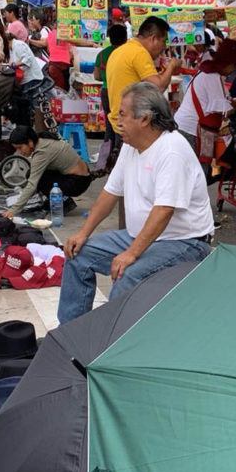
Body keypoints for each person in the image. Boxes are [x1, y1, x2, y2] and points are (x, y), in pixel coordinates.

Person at [57, 82, 214, 325]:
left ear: (144, 119)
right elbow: (109, 194)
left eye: (122, 114)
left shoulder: (172, 149)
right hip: (140, 236)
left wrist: (131, 253)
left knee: (127, 273)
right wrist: (82, 233)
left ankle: (109, 349)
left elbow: (164, 210)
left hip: (185, 243)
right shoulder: (131, 146)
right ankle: (70, 334)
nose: (117, 121)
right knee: (78, 254)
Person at [105, 16, 182, 139]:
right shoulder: (139, 53)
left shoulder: (121, 50)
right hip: (132, 124)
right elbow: (159, 86)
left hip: (120, 122)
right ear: (153, 38)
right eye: (163, 41)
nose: (164, 47)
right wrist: (172, 66)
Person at [2, 125, 91, 217]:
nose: (19, 152)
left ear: (30, 142)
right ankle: (55, 199)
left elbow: (32, 185)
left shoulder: (42, 152)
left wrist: (14, 210)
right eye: (16, 148)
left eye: (20, 147)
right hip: (79, 175)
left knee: (38, 180)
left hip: (78, 182)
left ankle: (64, 202)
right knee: (32, 173)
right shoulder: (41, 140)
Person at [174, 38, 236, 157]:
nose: (234, 70)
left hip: (188, 128)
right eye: (235, 65)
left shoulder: (211, 74)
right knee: (198, 171)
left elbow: (226, 99)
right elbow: (225, 110)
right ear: (227, 63)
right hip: (191, 131)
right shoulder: (211, 76)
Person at [93, 24, 127, 146]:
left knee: (109, 124)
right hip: (122, 91)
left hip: (106, 91)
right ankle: (118, 154)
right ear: (125, 38)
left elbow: (96, 76)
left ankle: (107, 157)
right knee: (121, 124)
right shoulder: (126, 53)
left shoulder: (102, 54)